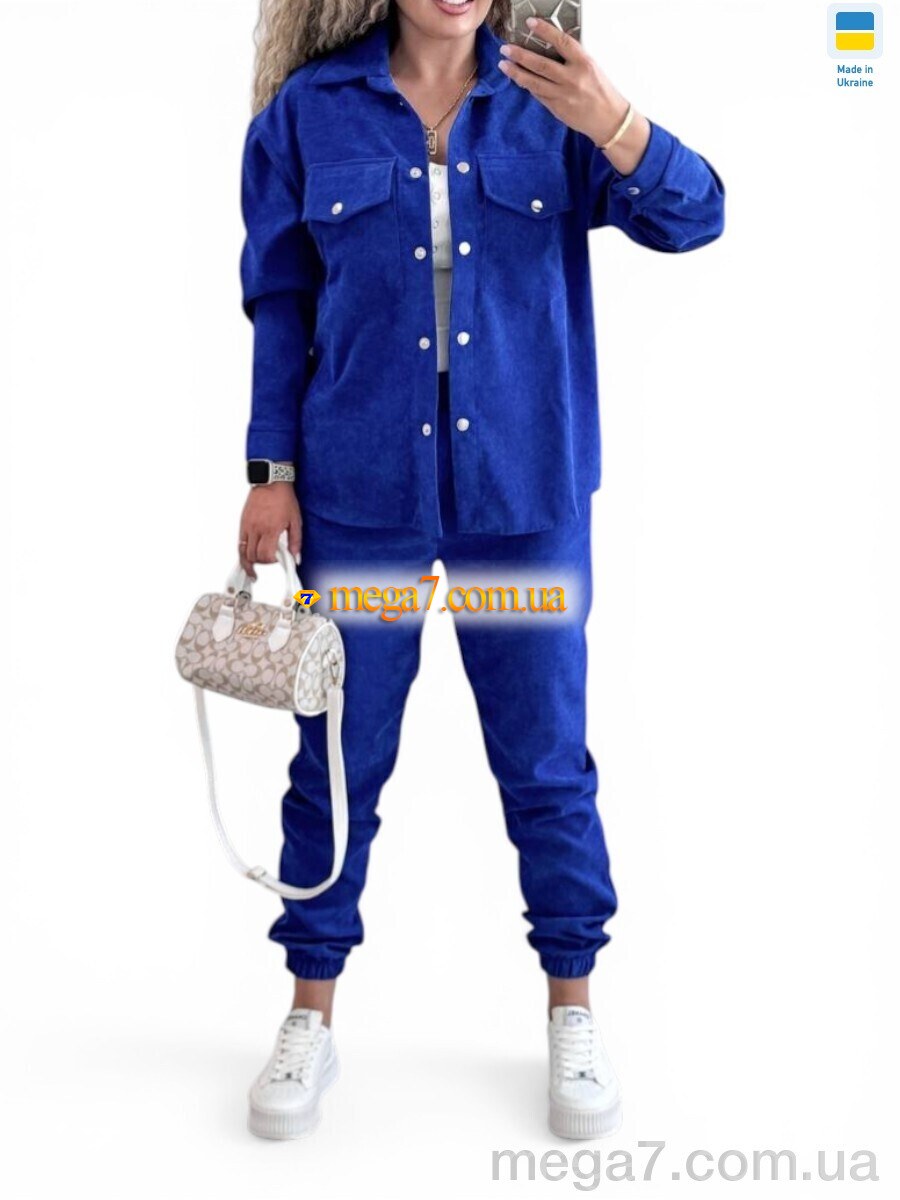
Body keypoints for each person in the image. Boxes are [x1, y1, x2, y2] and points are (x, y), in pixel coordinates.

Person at [235, 0, 724, 1141]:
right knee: (338, 762)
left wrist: (614, 119)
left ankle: (573, 1010)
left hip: (524, 495)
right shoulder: (309, 113)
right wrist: (270, 469)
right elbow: (280, 300)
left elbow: (698, 217)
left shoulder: (557, 103)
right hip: (362, 497)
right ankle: (310, 1012)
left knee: (546, 762)